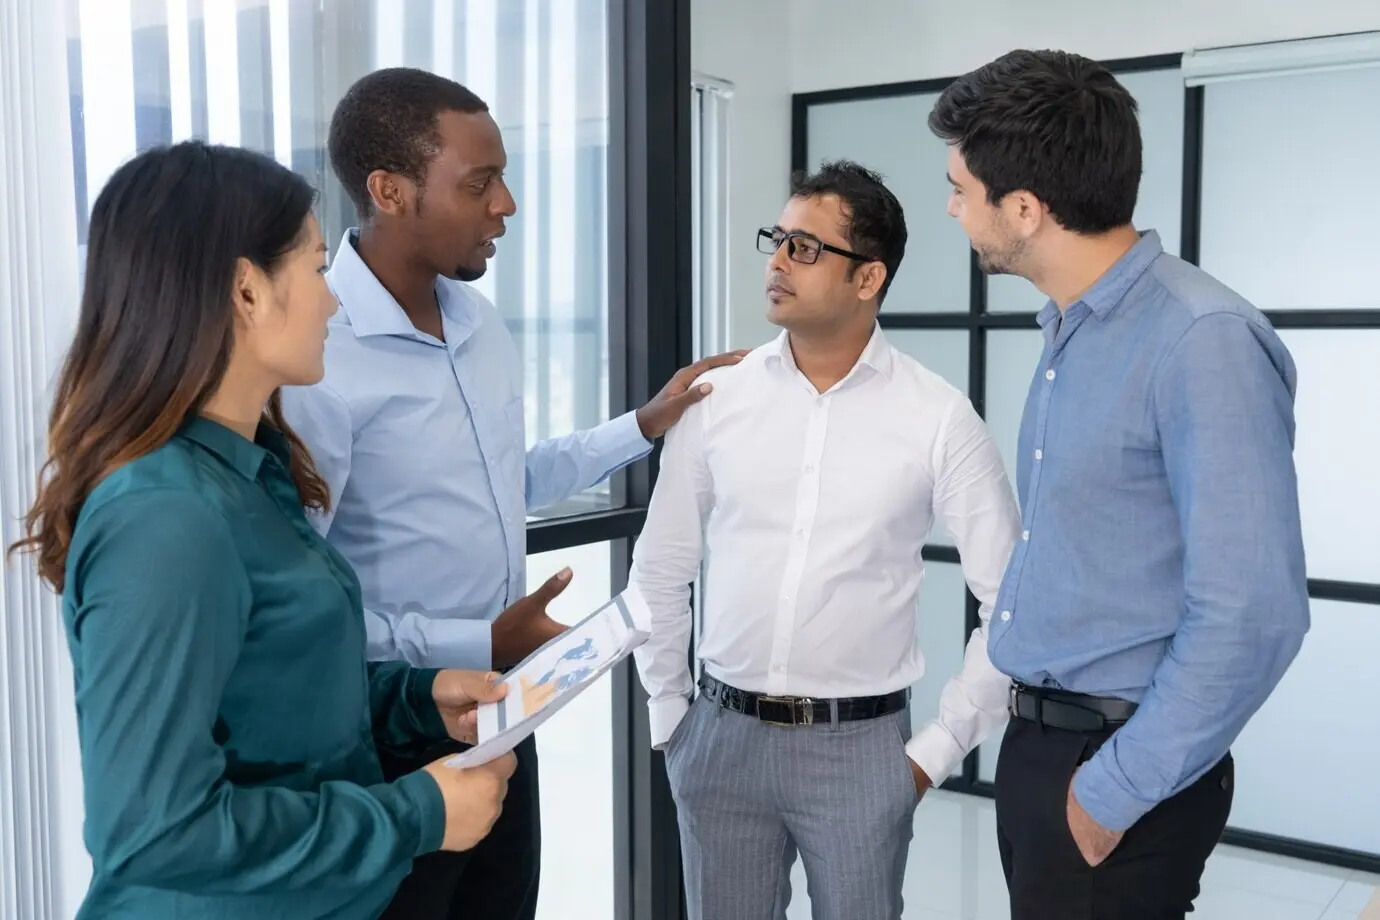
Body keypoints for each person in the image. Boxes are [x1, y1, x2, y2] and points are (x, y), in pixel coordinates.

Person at [7, 141, 520, 920]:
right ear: (247, 290)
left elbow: (272, 695)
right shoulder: (165, 515)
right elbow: (152, 831)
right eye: (317, 270)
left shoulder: (255, 471)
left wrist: (419, 698)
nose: (333, 303)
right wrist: (416, 813)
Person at [279, 67, 746, 920]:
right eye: (480, 182)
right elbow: (297, 610)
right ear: (389, 191)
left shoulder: (477, 322)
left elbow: (507, 477)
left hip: (500, 708)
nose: (507, 205)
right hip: (387, 736)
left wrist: (643, 424)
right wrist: (476, 640)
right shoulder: (318, 356)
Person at [929, 49, 1310, 920]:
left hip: (1118, 768)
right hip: (1046, 747)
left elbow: (1254, 613)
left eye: (961, 190)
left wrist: (1111, 793)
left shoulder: (1200, 339)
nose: (952, 209)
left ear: (1024, 209)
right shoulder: (1073, 331)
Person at [629, 160, 1022, 920]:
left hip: (860, 750)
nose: (778, 261)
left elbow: (1009, 601)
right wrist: (670, 716)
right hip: (717, 740)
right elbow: (662, 565)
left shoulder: (938, 417)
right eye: (777, 240)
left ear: (868, 277)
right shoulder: (720, 398)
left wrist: (934, 752)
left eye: (805, 248)